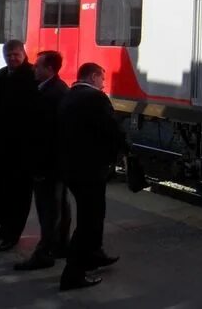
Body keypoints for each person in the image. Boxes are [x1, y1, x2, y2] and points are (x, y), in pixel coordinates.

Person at [58, 63, 124, 291]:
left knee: (93, 216)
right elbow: (112, 130)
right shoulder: (96, 99)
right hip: (90, 171)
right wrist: (123, 150)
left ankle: (94, 255)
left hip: (71, 170)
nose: (103, 84)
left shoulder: (69, 96)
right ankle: (73, 274)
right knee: (89, 221)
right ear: (94, 77)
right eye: (102, 79)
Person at [14, 51, 71, 271]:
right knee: (59, 205)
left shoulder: (52, 94)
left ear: (49, 69)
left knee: (49, 209)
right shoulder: (54, 89)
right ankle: (60, 246)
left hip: (47, 164)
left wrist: (38, 165)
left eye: (37, 66)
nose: (34, 69)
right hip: (54, 163)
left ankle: (44, 252)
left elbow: (46, 135)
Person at [0, 40, 38, 252]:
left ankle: (13, 233)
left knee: (18, 193)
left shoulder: (32, 76)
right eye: (8, 55)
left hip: (21, 149)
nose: (11, 58)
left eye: (15, 54)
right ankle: (3, 227)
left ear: (24, 53)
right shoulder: (0, 75)